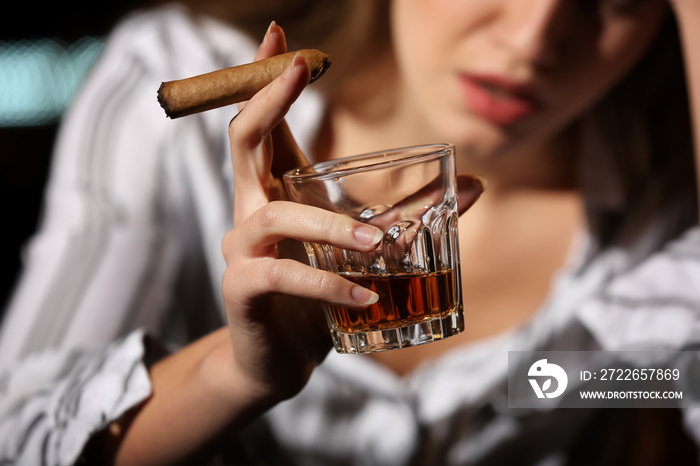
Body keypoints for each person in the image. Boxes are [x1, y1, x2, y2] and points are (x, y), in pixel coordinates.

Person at [1, 0, 699, 464]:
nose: (533, 38)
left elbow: (666, 381)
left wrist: (566, 384)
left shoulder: (662, 225)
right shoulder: (168, 75)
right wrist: (238, 373)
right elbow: (21, 437)